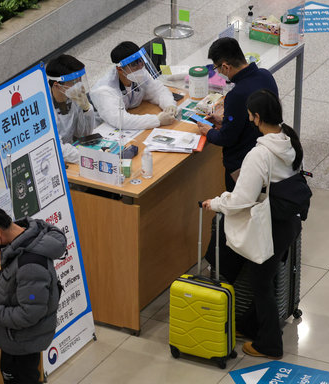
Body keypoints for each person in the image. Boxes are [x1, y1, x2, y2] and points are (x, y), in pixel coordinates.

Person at [202, 89, 304, 360]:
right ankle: (250, 326)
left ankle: (269, 345)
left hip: (269, 227)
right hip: (289, 222)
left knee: (261, 283)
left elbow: (241, 200)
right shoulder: (289, 140)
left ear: (257, 117)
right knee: (265, 277)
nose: (248, 120)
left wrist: (216, 203)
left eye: (249, 116)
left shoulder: (259, 155)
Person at [0, 203, 66, 383]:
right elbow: (9, 275)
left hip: (23, 344)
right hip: (16, 341)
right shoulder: (23, 238)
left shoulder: (31, 265)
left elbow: (29, 313)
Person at [196, 37, 279, 192]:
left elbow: (227, 138)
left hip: (244, 165)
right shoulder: (265, 75)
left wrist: (209, 132)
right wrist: (226, 120)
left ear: (226, 66)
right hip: (268, 157)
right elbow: (248, 119)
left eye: (217, 69)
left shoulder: (237, 94)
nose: (219, 73)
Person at [90, 41, 177, 130]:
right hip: (104, 128)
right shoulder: (104, 90)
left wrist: (169, 104)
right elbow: (121, 120)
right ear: (119, 69)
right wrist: (157, 120)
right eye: (134, 64)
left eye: (141, 60)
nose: (140, 66)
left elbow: (158, 90)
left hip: (132, 116)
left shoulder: (138, 72)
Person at [46, 54, 101, 164]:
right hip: (56, 160)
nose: (79, 86)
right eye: (74, 82)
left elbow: (83, 133)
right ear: (57, 85)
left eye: (80, 80)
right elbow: (57, 149)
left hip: (73, 152)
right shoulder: (46, 107)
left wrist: (86, 108)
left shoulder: (72, 96)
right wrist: (92, 158)